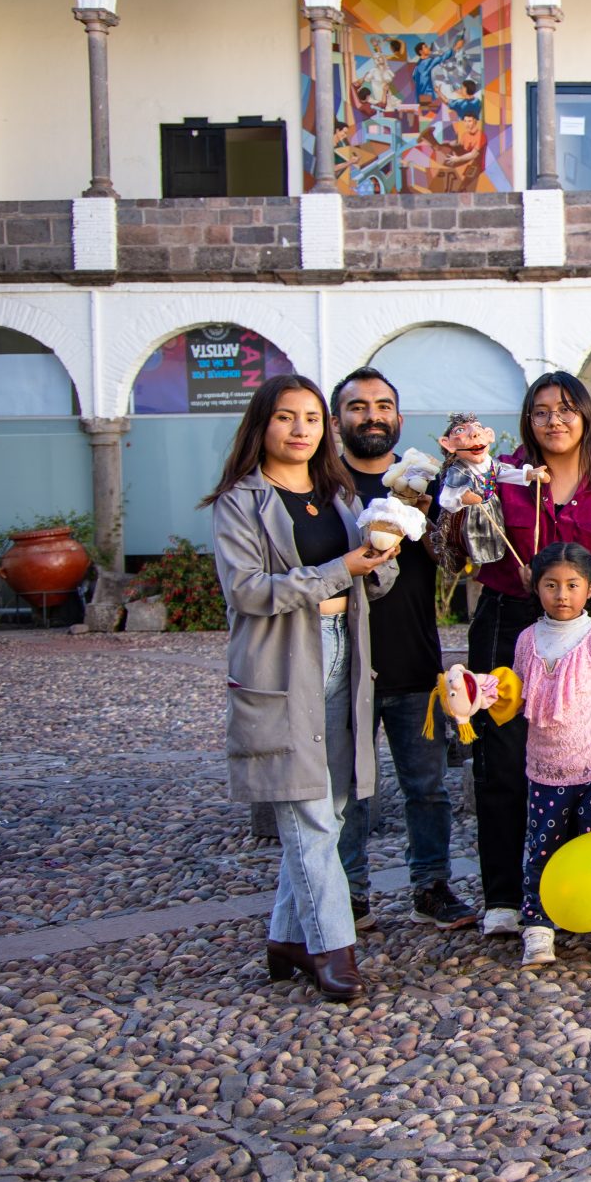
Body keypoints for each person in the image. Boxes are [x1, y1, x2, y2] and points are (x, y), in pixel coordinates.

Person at [205, 375, 397, 1002]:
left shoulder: (334, 495)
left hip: (345, 652)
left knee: (332, 806)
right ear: (262, 425)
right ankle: (333, 951)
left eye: (312, 418)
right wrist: (340, 569)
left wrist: (380, 556)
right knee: (309, 813)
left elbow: (371, 586)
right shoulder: (240, 502)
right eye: (286, 417)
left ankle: (287, 937)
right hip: (284, 662)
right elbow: (249, 591)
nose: (300, 429)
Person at [465, 372, 591, 940]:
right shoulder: (501, 477)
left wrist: (581, 592)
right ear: (527, 420)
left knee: (580, 765)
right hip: (509, 621)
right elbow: (479, 544)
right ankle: (505, 897)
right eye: (541, 412)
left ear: (586, 416)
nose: (554, 421)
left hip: (582, 629)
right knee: (504, 760)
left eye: (566, 409)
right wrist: (511, 574)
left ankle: (581, 890)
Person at [330, 367, 477, 933]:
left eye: (383, 406)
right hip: (345, 665)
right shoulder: (328, 490)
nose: (372, 416)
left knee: (429, 788)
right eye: (358, 406)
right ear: (339, 418)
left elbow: (457, 559)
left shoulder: (424, 483)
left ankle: (432, 887)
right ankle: (350, 894)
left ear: (398, 417)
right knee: (349, 793)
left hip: (415, 659)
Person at [513, 543, 591, 970]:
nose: (561, 594)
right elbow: (514, 694)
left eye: (571, 585)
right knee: (541, 848)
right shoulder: (528, 640)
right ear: (536, 586)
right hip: (545, 771)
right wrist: (481, 694)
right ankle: (538, 925)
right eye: (551, 585)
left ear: (590, 588)